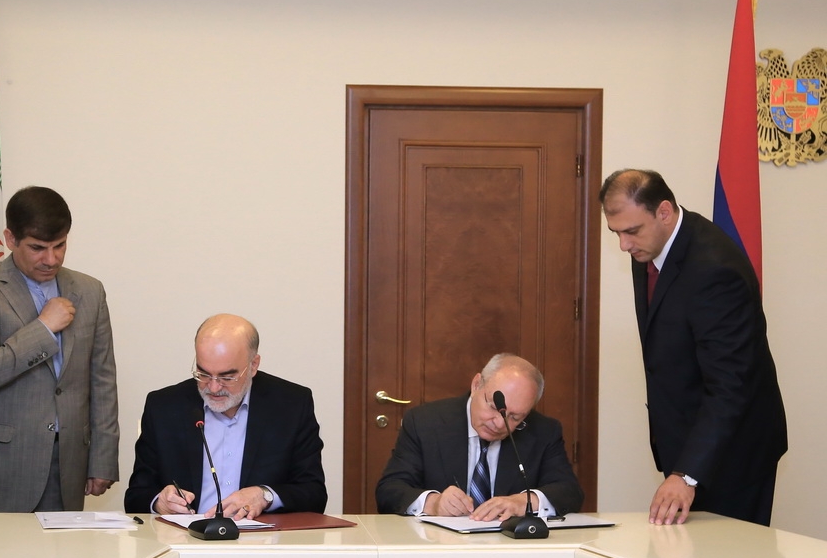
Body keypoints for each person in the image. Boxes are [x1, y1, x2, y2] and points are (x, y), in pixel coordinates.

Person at [599, 168, 787, 526]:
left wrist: (687, 474)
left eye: (631, 231)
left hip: (734, 453)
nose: (623, 245)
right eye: (616, 233)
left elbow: (730, 385)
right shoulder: (649, 248)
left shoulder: (715, 270)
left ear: (664, 212)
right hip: (689, 445)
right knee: (683, 555)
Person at [0, 186, 119, 514]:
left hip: (69, 463)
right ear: (11, 239)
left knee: (65, 549)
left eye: (60, 246)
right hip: (4, 465)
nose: (51, 259)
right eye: (38, 248)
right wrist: (43, 328)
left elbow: (102, 379)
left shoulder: (90, 291)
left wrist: (103, 459)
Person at [125, 314, 327, 518]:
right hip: (185, 535)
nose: (213, 387)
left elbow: (314, 494)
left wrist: (265, 496)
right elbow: (136, 496)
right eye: (203, 374)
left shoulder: (291, 405)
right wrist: (159, 502)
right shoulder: (163, 407)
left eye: (227, 377)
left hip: (262, 535)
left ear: (253, 365)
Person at [375, 353, 583, 520]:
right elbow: (390, 491)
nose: (499, 423)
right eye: (493, 407)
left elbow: (569, 492)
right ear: (476, 385)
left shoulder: (543, 430)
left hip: (510, 549)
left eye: (515, 417)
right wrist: (433, 503)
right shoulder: (424, 422)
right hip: (439, 545)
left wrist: (524, 502)